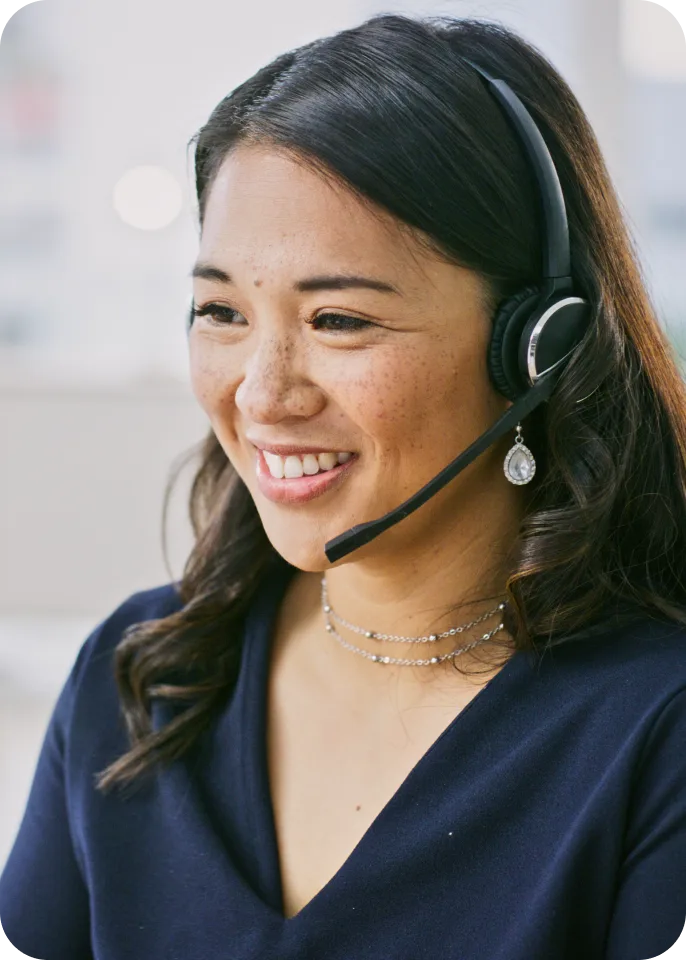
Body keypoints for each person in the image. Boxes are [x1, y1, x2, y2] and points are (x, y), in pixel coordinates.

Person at [2, 11, 686, 960]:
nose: (262, 392)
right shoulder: (141, 681)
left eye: (338, 320)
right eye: (220, 311)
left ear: (537, 344)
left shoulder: (657, 734)